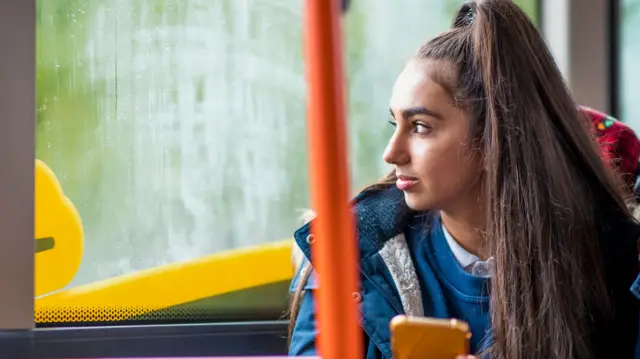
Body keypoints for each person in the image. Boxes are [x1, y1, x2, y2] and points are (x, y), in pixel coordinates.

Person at [288, 1, 640, 358]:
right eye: (396, 124)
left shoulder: (612, 261)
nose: (391, 154)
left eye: (421, 127)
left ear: (495, 138)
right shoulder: (350, 253)